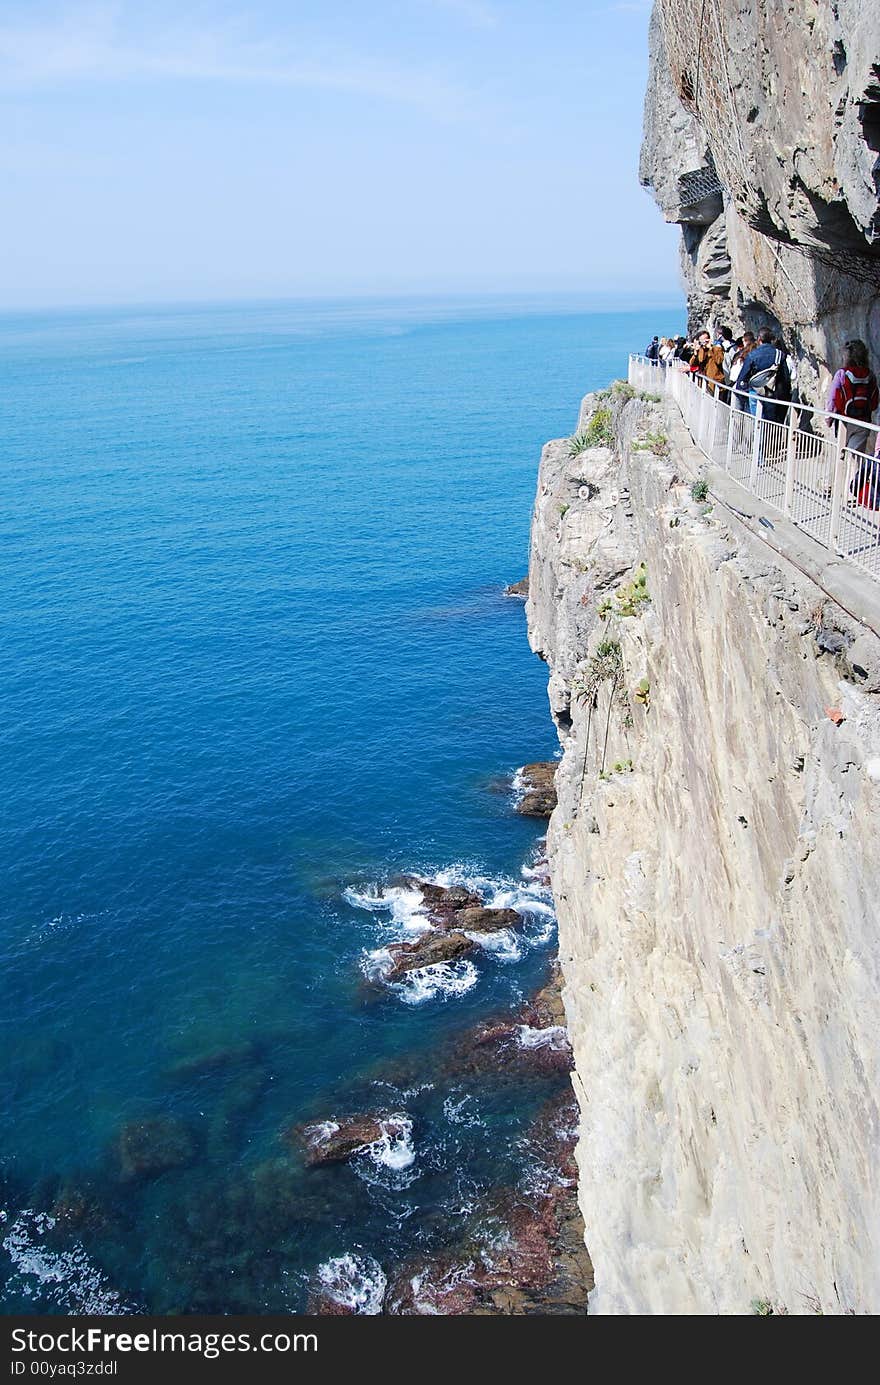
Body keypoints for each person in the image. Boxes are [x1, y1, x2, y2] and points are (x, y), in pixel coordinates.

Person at [827, 339, 879, 457]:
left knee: (841, 456)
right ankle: (852, 476)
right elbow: (875, 402)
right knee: (855, 458)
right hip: (863, 422)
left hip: (844, 421)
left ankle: (841, 475)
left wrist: (828, 418)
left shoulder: (841, 374)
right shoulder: (870, 375)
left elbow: (832, 399)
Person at [738, 327, 791, 423]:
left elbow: (742, 378)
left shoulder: (752, 355)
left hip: (755, 391)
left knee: (756, 421)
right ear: (771, 339)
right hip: (773, 393)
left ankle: (758, 435)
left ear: (759, 339)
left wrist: (743, 392)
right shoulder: (779, 354)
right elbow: (786, 378)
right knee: (770, 423)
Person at [728, 331, 756, 410]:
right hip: (754, 388)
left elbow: (733, 376)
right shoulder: (756, 352)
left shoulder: (742, 355)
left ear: (746, 341)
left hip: (740, 387)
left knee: (737, 412)